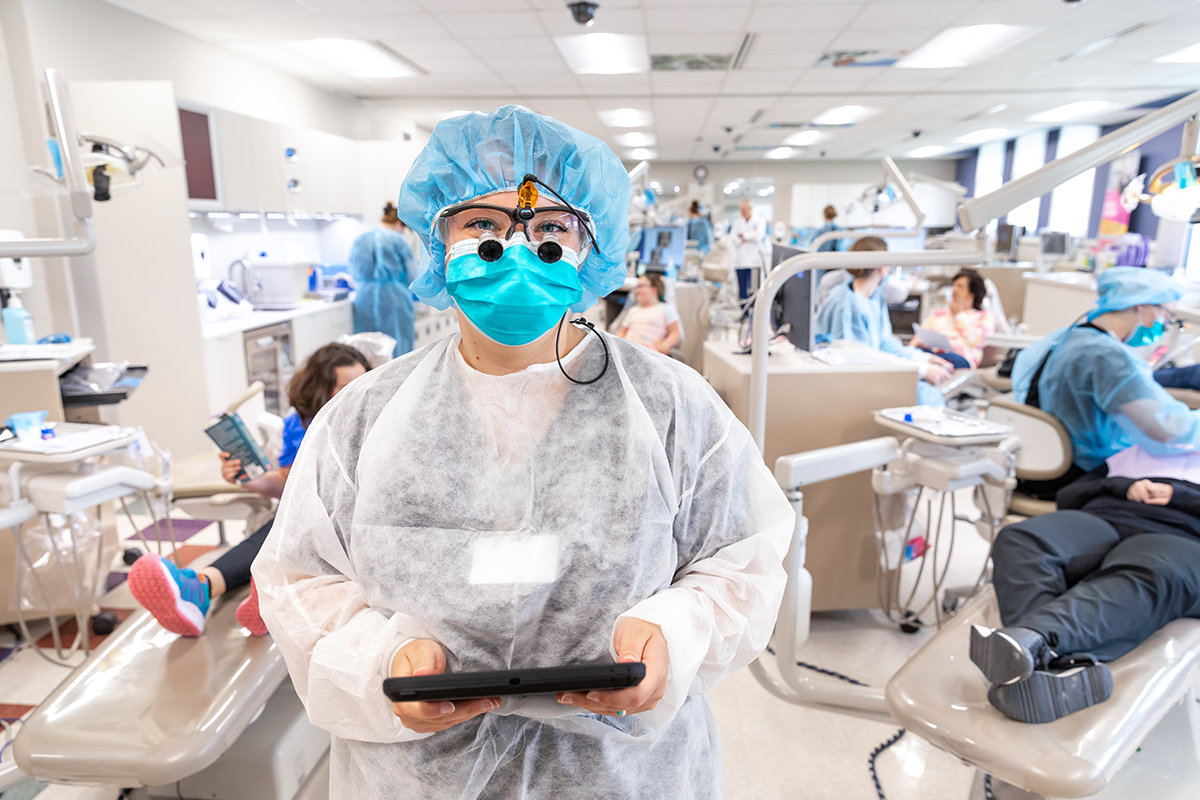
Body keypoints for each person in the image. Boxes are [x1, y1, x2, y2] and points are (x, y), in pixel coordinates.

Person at [251, 105, 794, 800]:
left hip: (623, 777)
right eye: (481, 225)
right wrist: (384, 661)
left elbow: (740, 563)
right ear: (435, 237)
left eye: (548, 230)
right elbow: (303, 582)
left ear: (589, 247)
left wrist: (671, 632)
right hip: (419, 777)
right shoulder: (362, 419)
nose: (512, 250)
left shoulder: (672, 407)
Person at [128, 343, 371, 637]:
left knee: (296, 522)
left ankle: (254, 593)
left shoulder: (377, 417)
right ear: (320, 390)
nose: (360, 390)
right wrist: (249, 479)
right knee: (290, 519)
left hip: (360, 517)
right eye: (346, 385)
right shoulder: (299, 424)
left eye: (365, 380)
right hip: (310, 514)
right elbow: (289, 481)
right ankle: (214, 590)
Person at [970, 445, 1200, 724]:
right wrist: (1123, 486)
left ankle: (1033, 638)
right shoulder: (1138, 450)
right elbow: (1069, 494)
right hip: (1104, 519)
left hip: (1183, 536)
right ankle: (1057, 670)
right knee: (1021, 540)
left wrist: (1181, 496)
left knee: (1158, 572)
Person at [1012, 267, 1200, 498]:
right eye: (1166, 316)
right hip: (1076, 477)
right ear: (1142, 306)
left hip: (1041, 464)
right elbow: (1167, 429)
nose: (1165, 324)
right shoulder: (1107, 358)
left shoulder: (1071, 337)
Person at [815, 236, 953, 407]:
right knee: (924, 396)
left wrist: (922, 358)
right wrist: (919, 370)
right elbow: (855, 357)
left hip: (873, 372)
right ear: (883, 266)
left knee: (927, 392)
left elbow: (884, 343)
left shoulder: (875, 296)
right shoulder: (845, 303)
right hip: (852, 382)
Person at [348, 202, 418, 359]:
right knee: (398, 348)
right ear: (400, 223)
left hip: (364, 297)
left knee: (365, 348)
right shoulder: (398, 241)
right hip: (395, 298)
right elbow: (413, 275)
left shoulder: (360, 239)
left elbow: (353, 271)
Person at [911, 269, 996, 369]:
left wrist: (959, 316)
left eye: (960, 286)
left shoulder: (983, 316)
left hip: (959, 358)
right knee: (914, 354)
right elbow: (918, 337)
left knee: (947, 359)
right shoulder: (938, 313)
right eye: (954, 285)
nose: (954, 289)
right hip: (932, 353)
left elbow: (978, 340)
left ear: (972, 293)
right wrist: (917, 344)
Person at [618, 273, 681, 355]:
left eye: (641, 286)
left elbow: (675, 332)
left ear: (654, 289)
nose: (637, 291)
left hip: (650, 353)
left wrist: (666, 344)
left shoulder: (665, 309)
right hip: (628, 351)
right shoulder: (633, 310)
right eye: (637, 287)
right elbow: (622, 332)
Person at [730, 200, 766, 302]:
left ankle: (751, 312)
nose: (742, 211)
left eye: (744, 209)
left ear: (750, 208)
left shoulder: (759, 221)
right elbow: (733, 239)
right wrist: (748, 236)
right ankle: (743, 313)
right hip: (740, 261)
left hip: (753, 261)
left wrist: (743, 235)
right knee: (741, 288)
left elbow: (758, 236)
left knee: (752, 288)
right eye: (741, 209)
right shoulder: (737, 223)